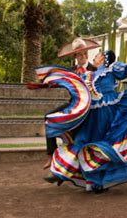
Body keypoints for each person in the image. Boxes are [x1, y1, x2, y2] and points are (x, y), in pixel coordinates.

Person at [32, 51, 127, 193]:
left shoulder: (112, 68)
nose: (95, 57)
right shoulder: (88, 73)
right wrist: (45, 85)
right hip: (90, 113)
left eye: (98, 55)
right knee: (81, 141)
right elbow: (71, 83)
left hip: (106, 111)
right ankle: (75, 176)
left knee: (100, 144)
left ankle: (98, 181)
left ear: (104, 58)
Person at [42, 38, 99, 170]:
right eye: (79, 54)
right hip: (73, 105)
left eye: (85, 53)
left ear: (87, 54)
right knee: (48, 117)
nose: (83, 56)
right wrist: (48, 83)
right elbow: (58, 82)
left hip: (90, 107)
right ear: (75, 56)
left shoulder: (94, 70)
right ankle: (51, 155)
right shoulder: (69, 71)